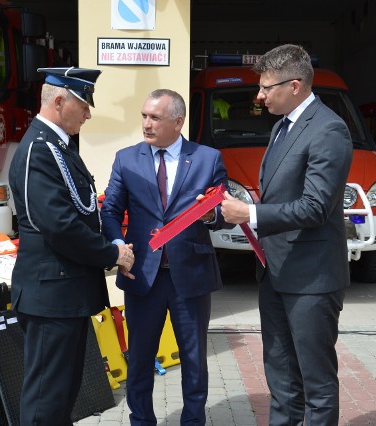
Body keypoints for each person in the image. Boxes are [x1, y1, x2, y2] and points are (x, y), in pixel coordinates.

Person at [219, 44, 353, 425]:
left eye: (265, 88)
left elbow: (316, 207)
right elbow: (282, 193)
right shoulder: (282, 126)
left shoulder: (329, 129)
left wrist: (251, 213)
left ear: (294, 85)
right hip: (276, 273)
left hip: (311, 279)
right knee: (281, 377)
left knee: (316, 383)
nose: (258, 96)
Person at [8, 66, 134, 426]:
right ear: (60, 100)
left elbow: (79, 211)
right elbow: (58, 225)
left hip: (64, 293)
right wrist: (112, 254)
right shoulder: (39, 149)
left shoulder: (56, 147)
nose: (89, 113)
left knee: (62, 394)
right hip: (52, 294)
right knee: (46, 399)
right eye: (84, 104)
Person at [100, 88, 232, 425]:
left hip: (191, 275)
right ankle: (141, 420)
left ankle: (192, 420)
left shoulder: (208, 158)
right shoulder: (126, 158)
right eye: (144, 115)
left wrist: (209, 216)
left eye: (154, 117)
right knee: (141, 358)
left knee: (193, 358)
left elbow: (222, 213)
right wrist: (118, 244)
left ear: (178, 121)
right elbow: (110, 211)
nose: (146, 123)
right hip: (142, 275)